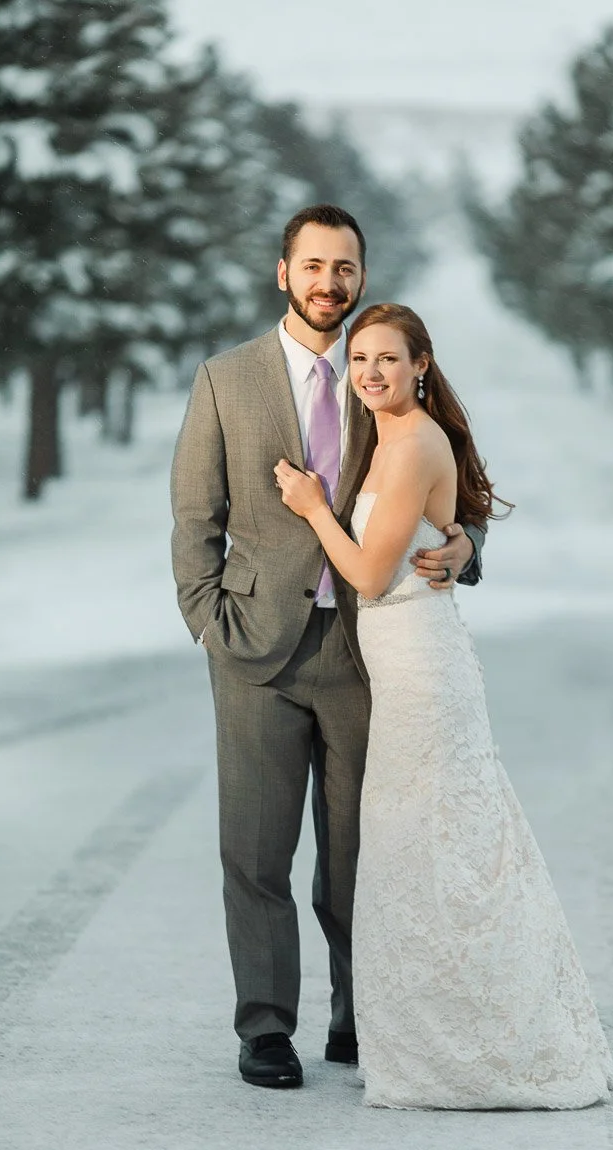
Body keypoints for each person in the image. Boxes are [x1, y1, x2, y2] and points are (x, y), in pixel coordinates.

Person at [170, 207, 484, 1090]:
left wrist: (465, 549)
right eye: (313, 265)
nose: (328, 282)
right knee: (257, 853)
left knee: (356, 852)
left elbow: (452, 492)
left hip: (363, 649)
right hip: (256, 654)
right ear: (283, 274)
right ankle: (266, 1028)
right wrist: (209, 622)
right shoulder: (225, 380)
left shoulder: (378, 374)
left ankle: (358, 1015)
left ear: (360, 277)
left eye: (344, 267)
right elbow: (195, 518)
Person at [274, 303, 613, 1109]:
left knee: (440, 854)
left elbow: (365, 573)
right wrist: (460, 534)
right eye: (359, 359)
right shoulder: (390, 434)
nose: (370, 373)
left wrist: (314, 505)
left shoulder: (413, 439)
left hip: (421, 669)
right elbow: (442, 520)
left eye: (388, 358)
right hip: (400, 664)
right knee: (421, 854)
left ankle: (474, 1045)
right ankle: (425, 1032)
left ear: (421, 362)